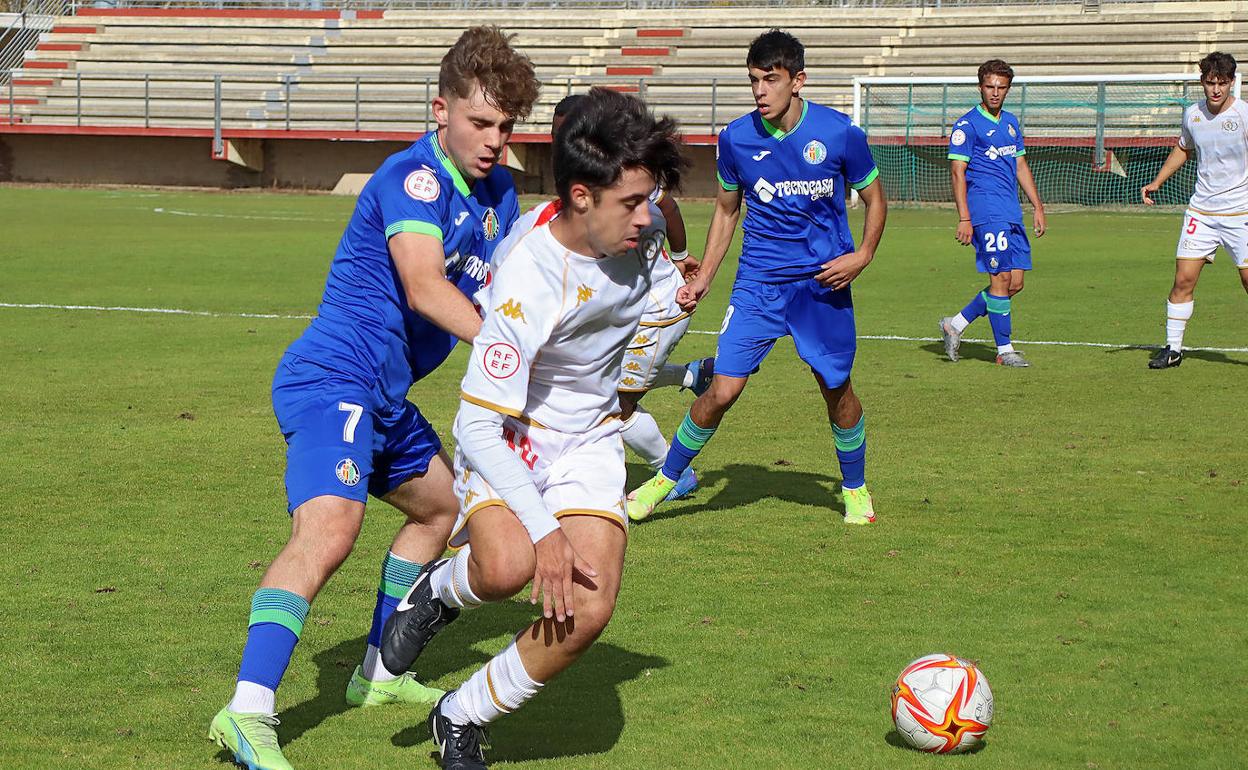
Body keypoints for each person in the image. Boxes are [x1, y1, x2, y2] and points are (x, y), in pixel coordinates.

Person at [208, 27, 539, 770]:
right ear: (440, 110)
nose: (493, 141)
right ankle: (247, 709)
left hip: (384, 396)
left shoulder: (499, 191)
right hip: (333, 379)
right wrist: (507, 349)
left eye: (506, 128)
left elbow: (519, 282)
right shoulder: (412, 178)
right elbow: (425, 284)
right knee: (329, 531)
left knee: (437, 507)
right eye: (480, 123)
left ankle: (379, 674)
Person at [379, 87, 686, 770]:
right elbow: (477, 424)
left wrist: (677, 278)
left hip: (591, 439)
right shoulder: (527, 278)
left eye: (651, 197)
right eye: (632, 203)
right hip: (511, 430)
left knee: (588, 609)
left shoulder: (644, 228)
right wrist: (546, 533)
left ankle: (460, 715)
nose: (649, 215)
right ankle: (439, 590)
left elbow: (661, 244)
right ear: (581, 197)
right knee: (512, 566)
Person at [625, 29, 887, 525]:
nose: (760, 91)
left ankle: (855, 488)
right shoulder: (736, 139)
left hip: (821, 284)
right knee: (722, 389)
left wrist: (863, 254)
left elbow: (875, 198)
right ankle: (666, 479)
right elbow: (727, 212)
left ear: (798, 81)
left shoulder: (839, 132)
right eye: (753, 81)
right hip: (758, 285)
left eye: (771, 80)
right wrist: (703, 275)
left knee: (837, 389)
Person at [495, 93, 715, 508]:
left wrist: (683, 260)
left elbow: (666, 204)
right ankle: (690, 376)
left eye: (569, 137)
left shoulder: (619, 182)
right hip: (635, 313)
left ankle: (674, 473)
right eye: (557, 137)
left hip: (659, 309)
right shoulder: (545, 221)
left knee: (618, 402)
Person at [1141, 51, 1248, 369]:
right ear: (1202, 82)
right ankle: (1173, 349)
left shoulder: (1244, 115)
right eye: (1210, 83)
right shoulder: (1193, 115)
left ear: (1232, 83)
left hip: (1240, 213)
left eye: (1222, 83)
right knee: (1183, 280)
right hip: (1201, 212)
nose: (1216, 90)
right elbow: (1183, 148)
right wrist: (1157, 181)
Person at [939, 58, 1046, 368]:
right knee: (999, 279)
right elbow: (958, 172)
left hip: (1011, 211)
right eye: (989, 87)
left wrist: (1037, 206)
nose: (995, 93)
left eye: (1001, 87)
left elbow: (1020, 165)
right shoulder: (967, 125)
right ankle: (1004, 350)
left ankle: (954, 324)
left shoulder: (1011, 123)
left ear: (1008, 89)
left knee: (1015, 283)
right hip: (985, 210)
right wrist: (964, 217)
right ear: (980, 87)